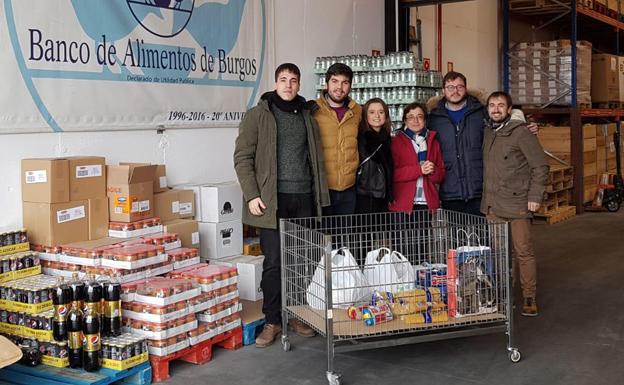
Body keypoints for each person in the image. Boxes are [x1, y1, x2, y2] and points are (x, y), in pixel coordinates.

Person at [233, 63, 330, 347]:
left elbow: (315, 159)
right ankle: (272, 320)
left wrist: (318, 198)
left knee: (303, 260)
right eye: (283, 80)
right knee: (274, 262)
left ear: (299, 85)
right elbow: (242, 158)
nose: (288, 85)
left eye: (293, 80)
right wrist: (252, 195)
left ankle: (298, 314)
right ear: (275, 83)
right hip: (272, 201)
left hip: (304, 199)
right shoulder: (258, 116)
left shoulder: (307, 116)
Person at [427, 71, 538, 215]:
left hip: (480, 188)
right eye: (450, 87)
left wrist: (525, 126)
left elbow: (504, 123)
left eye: (460, 87)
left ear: (465, 89)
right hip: (450, 189)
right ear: (443, 90)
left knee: (482, 235)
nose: (455, 91)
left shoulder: (481, 112)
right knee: (455, 237)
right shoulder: (434, 118)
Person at [481, 91, 548, 317]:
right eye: (492, 105)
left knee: (523, 251)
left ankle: (529, 296)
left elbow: (540, 166)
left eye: (501, 105)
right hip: (493, 205)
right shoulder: (488, 132)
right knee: (499, 253)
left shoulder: (521, 133)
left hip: (518, 203)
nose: (496, 109)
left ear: (509, 110)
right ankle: (503, 295)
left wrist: (535, 197)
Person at [315, 63, 362, 215]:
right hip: (322, 189)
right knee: (319, 236)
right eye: (335, 81)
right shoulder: (312, 110)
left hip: (349, 189)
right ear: (326, 83)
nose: (339, 87)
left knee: (344, 236)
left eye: (345, 82)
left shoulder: (357, 111)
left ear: (350, 86)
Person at [389, 103, 445, 215]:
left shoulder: (433, 142)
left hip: (426, 202)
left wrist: (432, 170)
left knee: (424, 233)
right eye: (411, 117)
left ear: (425, 120)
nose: (415, 120)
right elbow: (392, 174)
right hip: (402, 203)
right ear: (405, 121)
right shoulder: (395, 142)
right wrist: (419, 170)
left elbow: (440, 176)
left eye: (420, 116)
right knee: (402, 233)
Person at [355, 98, 394, 214]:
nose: (377, 116)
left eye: (381, 112)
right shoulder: (360, 139)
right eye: (372, 112)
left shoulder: (388, 139)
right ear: (365, 115)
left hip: (383, 195)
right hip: (364, 195)